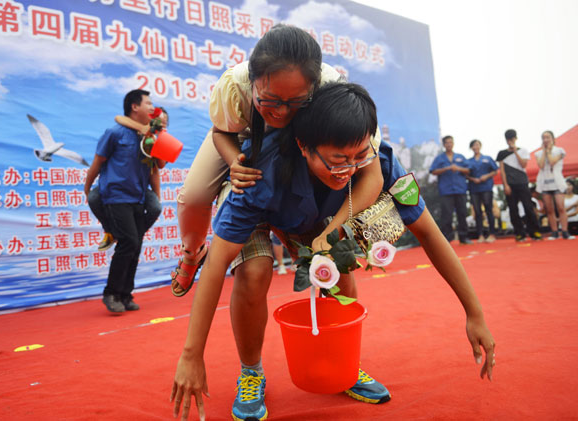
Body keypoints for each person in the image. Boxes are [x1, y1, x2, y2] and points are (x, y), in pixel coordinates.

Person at [170, 83, 496, 421]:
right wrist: (192, 355)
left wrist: (475, 313)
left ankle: (346, 368)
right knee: (254, 272)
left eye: (359, 157)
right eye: (338, 160)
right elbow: (216, 264)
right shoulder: (258, 172)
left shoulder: (379, 161)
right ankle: (251, 373)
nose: (350, 169)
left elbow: (429, 233)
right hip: (262, 213)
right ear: (304, 147)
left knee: (339, 268)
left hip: (316, 220)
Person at [170, 24, 384, 297]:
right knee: (194, 195)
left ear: (313, 87)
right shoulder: (235, 83)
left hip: (297, 142)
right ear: (253, 80)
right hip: (242, 135)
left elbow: (371, 172)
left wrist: (331, 234)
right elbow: (222, 132)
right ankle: (192, 252)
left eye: (295, 100)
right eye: (269, 100)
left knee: (332, 266)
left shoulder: (333, 90)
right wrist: (235, 161)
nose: (281, 112)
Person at [83, 89, 156, 313]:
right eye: (148, 103)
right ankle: (111, 293)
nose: (152, 108)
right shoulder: (114, 132)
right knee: (129, 243)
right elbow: (97, 162)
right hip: (116, 197)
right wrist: (87, 190)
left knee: (135, 245)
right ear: (135, 107)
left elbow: (156, 168)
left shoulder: (148, 137)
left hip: (139, 197)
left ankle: (125, 294)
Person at [88, 108, 169, 251]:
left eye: (164, 124)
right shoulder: (134, 132)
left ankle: (133, 235)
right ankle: (111, 232)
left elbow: (158, 167)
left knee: (155, 207)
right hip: (118, 188)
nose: (160, 125)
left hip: (140, 190)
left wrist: (160, 141)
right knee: (94, 198)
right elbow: (119, 118)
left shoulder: (160, 140)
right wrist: (144, 129)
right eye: (156, 121)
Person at [496, 129, 542, 242]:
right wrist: (505, 185)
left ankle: (534, 231)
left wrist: (515, 151)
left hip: (522, 182)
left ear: (516, 139)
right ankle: (519, 233)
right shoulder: (501, 153)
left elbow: (523, 164)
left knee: (528, 207)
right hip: (510, 185)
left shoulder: (523, 151)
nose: (510, 141)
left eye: (512, 139)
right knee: (513, 209)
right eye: (508, 139)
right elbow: (502, 171)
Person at [429, 135, 473, 244]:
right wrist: (447, 168)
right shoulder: (439, 158)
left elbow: (469, 170)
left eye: (450, 142)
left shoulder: (460, 157)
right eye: (447, 142)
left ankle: (464, 237)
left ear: (453, 143)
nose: (449, 144)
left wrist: (458, 168)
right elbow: (433, 171)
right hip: (446, 191)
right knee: (447, 215)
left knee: (462, 214)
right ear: (444, 145)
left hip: (460, 189)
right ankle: (447, 239)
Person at [535, 130, 574, 240]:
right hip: (545, 183)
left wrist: (548, 151)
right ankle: (554, 232)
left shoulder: (560, 151)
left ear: (553, 139)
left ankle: (565, 231)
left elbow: (552, 162)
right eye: (543, 137)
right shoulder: (538, 153)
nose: (545, 139)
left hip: (557, 182)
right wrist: (543, 151)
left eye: (548, 137)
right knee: (549, 209)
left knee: (561, 207)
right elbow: (541, 165)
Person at [466, 139, 498, 242]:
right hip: (474, 189)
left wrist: (486, 176)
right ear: (471, 148)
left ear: (480, 146)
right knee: (477, 211)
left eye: (478, 145)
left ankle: (492, 234)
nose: (476, 147)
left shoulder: (487, 158)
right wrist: (473, 179)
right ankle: (480, 235)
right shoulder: (468, 161)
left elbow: (495, 170)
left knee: (489, 210)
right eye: (474, 145)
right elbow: (465, 174)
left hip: (486, 188)